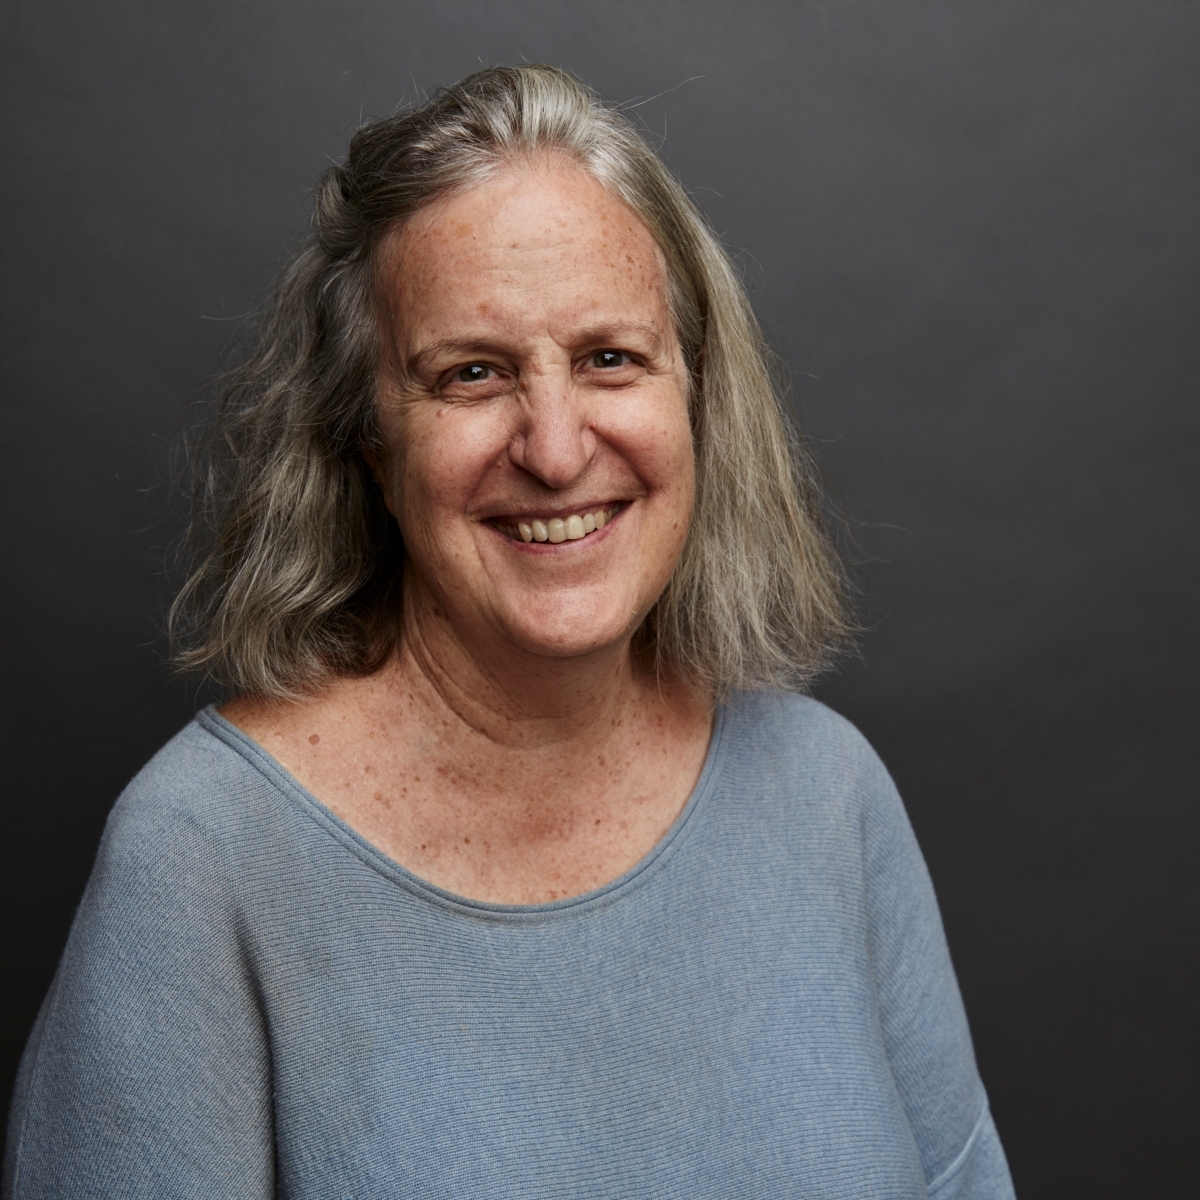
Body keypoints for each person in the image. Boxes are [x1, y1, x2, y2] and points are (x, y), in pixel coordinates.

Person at [3, 65, 1016, 1198]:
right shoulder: (202, 859)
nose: (554, 447)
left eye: (609, 359)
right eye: (473, 374)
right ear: (370, 446)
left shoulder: (829, 792)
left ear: (695, 395)